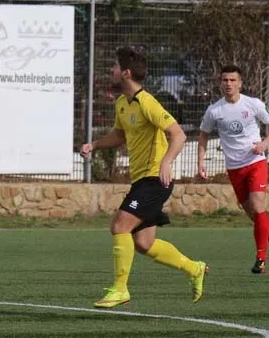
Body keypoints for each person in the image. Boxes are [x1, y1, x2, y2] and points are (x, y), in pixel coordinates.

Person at [80, 47, 208, 308]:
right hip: (141, 180)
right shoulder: (122, 103)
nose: (112, 70)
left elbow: (178, 134)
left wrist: (166, 162)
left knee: (120, 226)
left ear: (126, 73)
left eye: (116, 67)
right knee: (144, 243)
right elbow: (120, 135)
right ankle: (194, 268)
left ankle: (120, 289)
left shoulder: (146, 102)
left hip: (155, 180)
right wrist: (95, 144)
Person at [197, 65, 269, 276]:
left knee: (257, 205)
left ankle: (261, 259)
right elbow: (203, 135)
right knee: (257, 216)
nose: (228, 84)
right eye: (225, 80)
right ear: (221, 83)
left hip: (255, 162)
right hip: (234, 169)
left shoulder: (253, 104)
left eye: (232, 80)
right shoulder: (214, 110)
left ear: (240, 84)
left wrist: (265, 143)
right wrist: (200, 162)